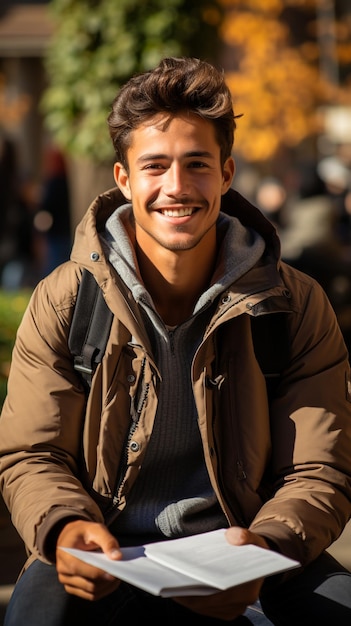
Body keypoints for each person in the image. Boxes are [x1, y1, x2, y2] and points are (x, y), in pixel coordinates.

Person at [0, 57, 351, 626]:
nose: (177, 188)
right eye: (155, 166)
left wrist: (266, 549)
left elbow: (320, 469)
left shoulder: (294, 303)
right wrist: (66, 526)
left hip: (248, 543)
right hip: (105, 547)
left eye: (197, 165)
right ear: (124, 179)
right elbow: (32, 454)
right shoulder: (65, 299)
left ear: (228, 172)